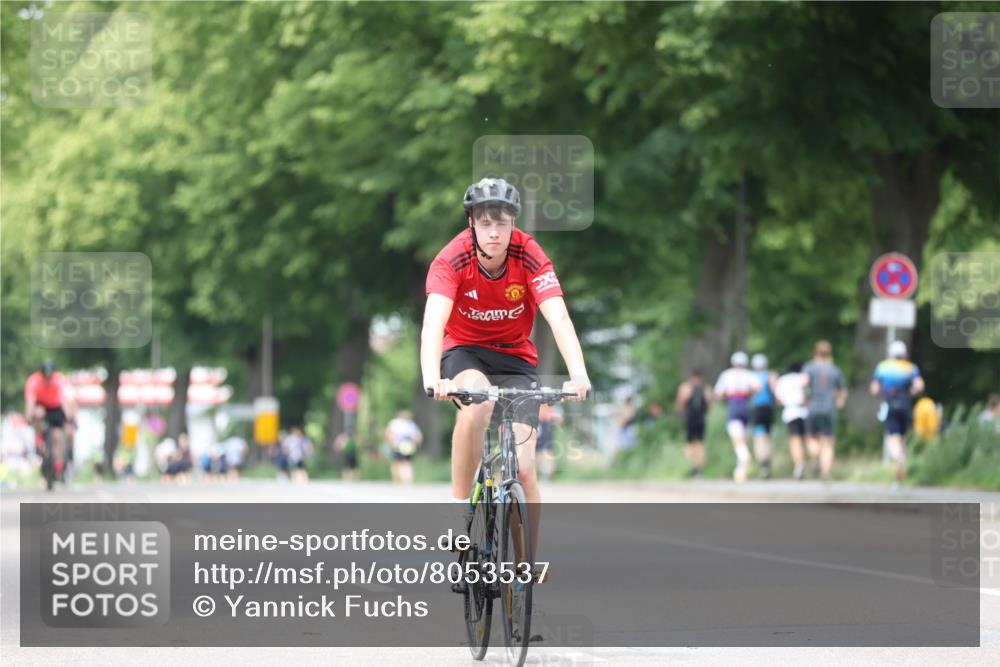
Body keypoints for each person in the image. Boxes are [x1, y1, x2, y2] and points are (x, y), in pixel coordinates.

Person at [422, 177, 590, 569]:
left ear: (514, 223)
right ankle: (458, 508)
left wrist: (578, 374)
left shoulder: (529, 254)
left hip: (516, 360)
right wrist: (434, 378)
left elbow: (559, 318)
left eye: (502, 222)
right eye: (485, 223)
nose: (494, 232)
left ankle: (525, 564)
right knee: (477, 403)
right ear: (471, 224)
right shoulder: (452, 259)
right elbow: (432, 326)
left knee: (527, 470)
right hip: (464, 355)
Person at [870, 340, 924, 485]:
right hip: (906, 405)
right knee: (903, 437)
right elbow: (919, 386)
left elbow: (874, 389)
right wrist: (910, 392)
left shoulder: (883, 367)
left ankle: (898, 459)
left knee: (893, 438)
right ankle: (902, 461)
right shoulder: (911, 368)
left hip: (890, 405)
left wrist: (882, 391)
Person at [713, 351, 761, 483]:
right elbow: (758, 387)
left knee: (737, 440)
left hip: (734, 404)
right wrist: (748, 393)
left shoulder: (727, 374)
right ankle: (740, 471)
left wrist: (727, 395)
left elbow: (717, 392)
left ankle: (745, 457)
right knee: (743, 438)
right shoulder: (749, 374)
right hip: (746, 404)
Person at [802, 340, 847, 481]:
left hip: (813, 407)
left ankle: (816, 454)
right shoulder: (835, 370)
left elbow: (803, 384)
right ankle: (825, 472)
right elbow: (842, 391)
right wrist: (840, 402)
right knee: (828, 441)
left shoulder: (809, 367)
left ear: (815, 353)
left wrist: (805, 398)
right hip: (829, 408)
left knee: (810, 438)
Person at [24, 360, 73, 484]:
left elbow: (63, 399)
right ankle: (39, 439)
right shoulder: (34, 381)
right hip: (41, 405)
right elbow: (30, 401)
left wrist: (67, 415)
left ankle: (58, 466)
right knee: (38, 414)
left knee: (57, 437)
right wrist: (29, 416)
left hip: (55, 407)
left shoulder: (58, 380)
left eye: (49, 376)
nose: (47, 379)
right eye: (45, 376)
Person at [774, 362, 809, 480]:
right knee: (806, 438)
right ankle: (809, 461)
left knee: (795, 440)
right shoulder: (803, 377)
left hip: (791, 411)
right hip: (805, 411)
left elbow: (778, 398)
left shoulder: (783, 380)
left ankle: (799, 463)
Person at [675, 369, 711, 478]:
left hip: (691, 419)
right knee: (698, 444)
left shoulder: (686, 388)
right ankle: (697, 468)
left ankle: (695, 466)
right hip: (701, 419)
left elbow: (680, 404)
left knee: (691, 444)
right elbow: (709, 407)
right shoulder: (705, 390)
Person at [749, 353, 778, 479]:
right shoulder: (769, 376)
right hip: (768, 408)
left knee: (759, 437)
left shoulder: (751, 377)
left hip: (756, 408)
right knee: (768, 437)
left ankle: (763, 464)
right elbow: (775, 391)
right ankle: (767, 463)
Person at [386, 410, 423, 484]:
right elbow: (389, 433)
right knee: (399, 462)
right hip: (400, 444)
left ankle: (405, 479)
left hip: (405, 445)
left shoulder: (409, 424)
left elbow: (417, 435)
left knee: (404, 462)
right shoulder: (397, 423)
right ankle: (399, 479)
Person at [536, 402, 563, 481]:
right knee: (540, 452)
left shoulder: (551, 402)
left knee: (546, 452)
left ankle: (549, 476)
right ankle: (542, 476)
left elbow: (559, 417)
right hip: (539, 423)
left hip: (544, 424)